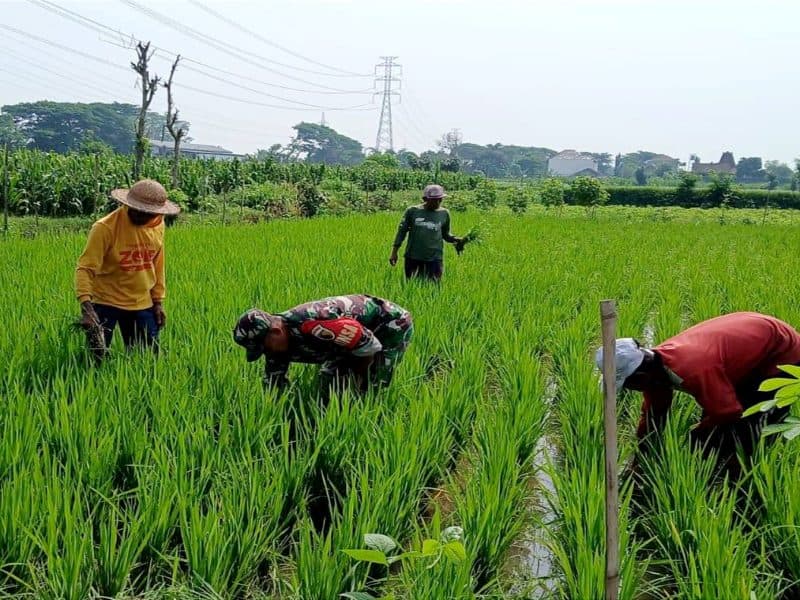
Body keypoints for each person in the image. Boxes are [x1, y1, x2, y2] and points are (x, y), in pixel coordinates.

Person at [595, 312, 800, 468]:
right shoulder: (655, 370)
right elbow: (654, 415)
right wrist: (641, 455)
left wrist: (699, 433)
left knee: (748, 426)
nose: (631, 390)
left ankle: (748, 477)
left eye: (628, 385)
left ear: (639, 377)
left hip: (781, 351)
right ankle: (718, 467)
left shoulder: (693, 368)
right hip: (746, 352)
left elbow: (728, 411)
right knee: (713, 429)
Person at [233, 294, 413, 397]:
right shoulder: (275, 344)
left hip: (388, 324)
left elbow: (368, 347)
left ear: (276, 332)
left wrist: (359, 382)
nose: (266, 353)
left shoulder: (315, 323)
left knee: (373, 385)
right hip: (343, 341)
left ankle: (370, 414)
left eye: (264, 348)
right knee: (329, 379)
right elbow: (274, 382)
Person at [75, 179, 180, 354]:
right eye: (137, 210)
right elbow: (86, 268)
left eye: (148, 213)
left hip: (142, 302)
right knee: (96, 357)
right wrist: (86, 307)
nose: (141, 216)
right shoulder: (104, 228)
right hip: (105, 301)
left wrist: (158, 302)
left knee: (146, 359)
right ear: (127, 204)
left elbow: (157, 264)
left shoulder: (157, 224)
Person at [390, 184, 462, 281]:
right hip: (413, 257)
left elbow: (446, 235)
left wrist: (456, 240)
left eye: (440, 199)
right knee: (412, 287)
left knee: (433, 288)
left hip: (435, 258)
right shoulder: (413, 211)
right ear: (425, 199)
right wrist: (394, 252)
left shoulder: (444, 213)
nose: (438, 202)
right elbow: (401, 232)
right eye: (434, 200)